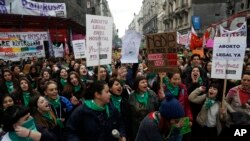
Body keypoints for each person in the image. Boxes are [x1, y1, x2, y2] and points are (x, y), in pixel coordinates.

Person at [128, 76, 159, 140]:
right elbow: (130, 112)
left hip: (151, 125)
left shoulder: (152, 93)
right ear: (137, 85)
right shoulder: (132, 96)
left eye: (146, 82)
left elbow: (157, 108)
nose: (145, 84)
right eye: (142, 82)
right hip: (137, 127)